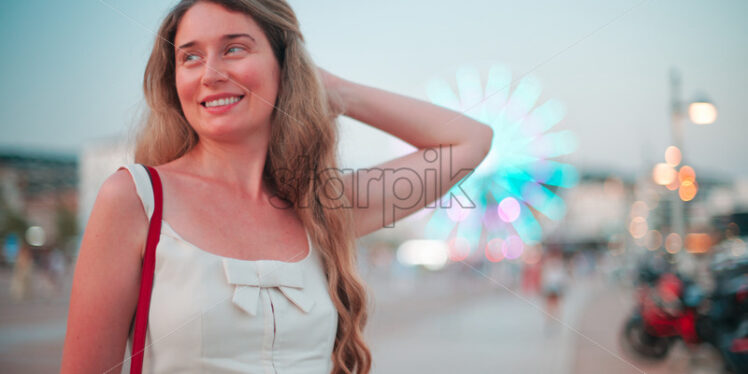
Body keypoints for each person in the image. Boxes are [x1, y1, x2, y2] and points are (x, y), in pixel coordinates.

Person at [60, 1, 492, 373]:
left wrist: (336, 91)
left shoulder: (322, 206)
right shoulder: (136, 199)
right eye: (189, 57)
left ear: (285, 65)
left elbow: (469, 141)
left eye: (234, 49)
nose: (210, 74)